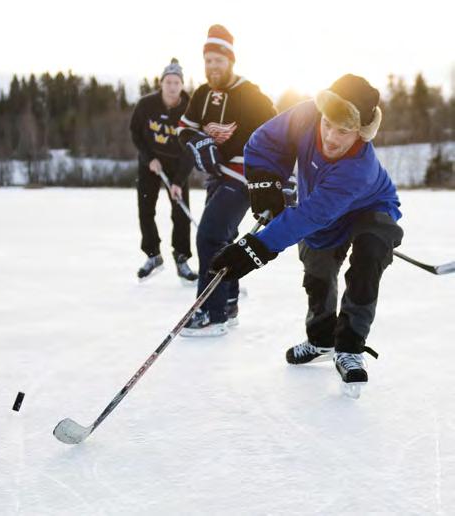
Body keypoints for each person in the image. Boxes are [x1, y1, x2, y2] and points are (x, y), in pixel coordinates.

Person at [210, 74, 404, 390]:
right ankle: (321, 340)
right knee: (317, 268)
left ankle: (350, 347)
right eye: (327, 124)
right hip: (322, 206)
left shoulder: (359, 169)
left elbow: (309, 215)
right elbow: (264, 141)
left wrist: (254, 249)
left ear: (361, 133)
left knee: (370, 256)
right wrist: (264, 183)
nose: (330, 137)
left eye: (344, 131)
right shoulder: (306, 114)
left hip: (370, 207)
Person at [177, 24, 276, 336]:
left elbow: (279, 134)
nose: (212, 66)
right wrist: (196, 141)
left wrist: (281, 180)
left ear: (230, 60)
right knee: (222, 239)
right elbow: (184, 129)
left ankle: (212, 313)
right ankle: (229, 303)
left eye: (218, 60)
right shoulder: (202, 94)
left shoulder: (251, 94)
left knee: (209, 236)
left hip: (244, 176)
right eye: (207, 61)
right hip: (217, 176)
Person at [130, 58, 197, 282]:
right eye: (168, 81)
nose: (172, 86)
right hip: (151, 164)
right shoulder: (146, 105)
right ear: (161, 83)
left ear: (182, 85)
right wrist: (148, 158)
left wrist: (178, 181)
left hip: (178, 165)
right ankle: (153, 255)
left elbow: (191, 148)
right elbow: (136, 133)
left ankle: (181, 258)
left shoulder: (190, 110)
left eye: (176, 82)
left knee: (180, 214)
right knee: (146, 209)